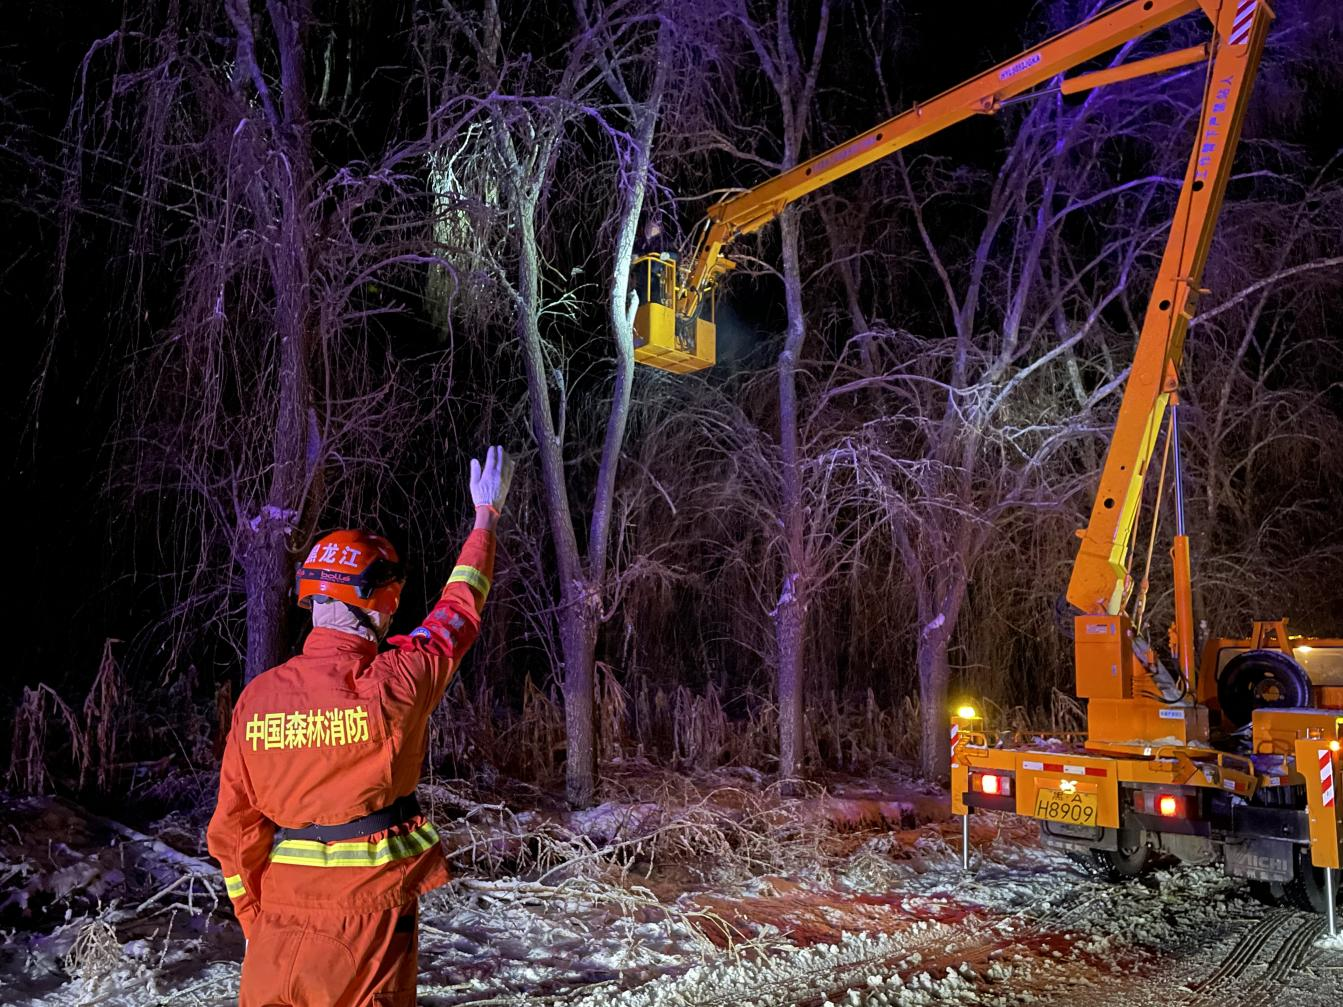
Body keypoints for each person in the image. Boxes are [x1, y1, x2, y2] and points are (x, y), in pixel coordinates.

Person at [208, 446, 515, 1007]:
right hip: (366, 928)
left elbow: (232, 831)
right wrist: (485, 518)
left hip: (275, 929)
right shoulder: (395, 684)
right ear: (375, 604)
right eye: (389, 607)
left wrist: (256, 920)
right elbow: (458, 610)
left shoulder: (257, 699)